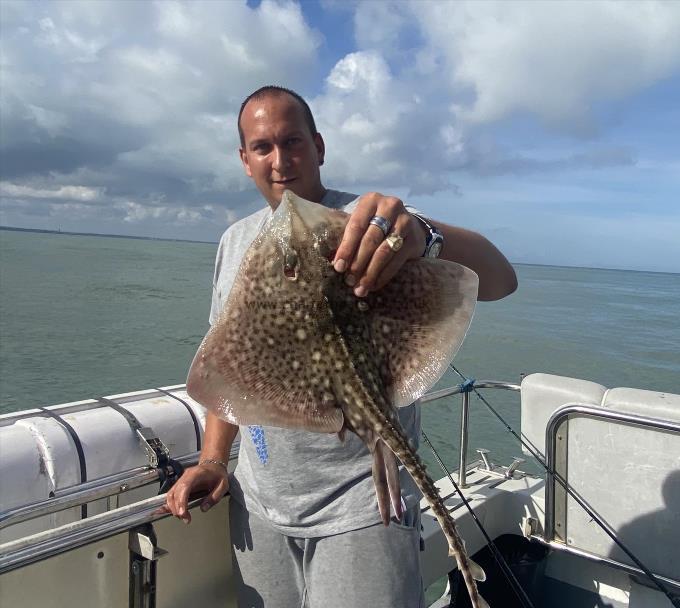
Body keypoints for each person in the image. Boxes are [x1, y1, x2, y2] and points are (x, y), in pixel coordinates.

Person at [164, 85, 517, 607]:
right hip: (260, 504)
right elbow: (229, 361)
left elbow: (500, 279)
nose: (280, 160)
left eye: (293, 141)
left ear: (319, 146)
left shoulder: (370, 223)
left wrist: (423, 234)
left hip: (364, 504)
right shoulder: (235, 241)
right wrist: (215, 459)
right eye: (263, 147)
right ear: (245, 160)